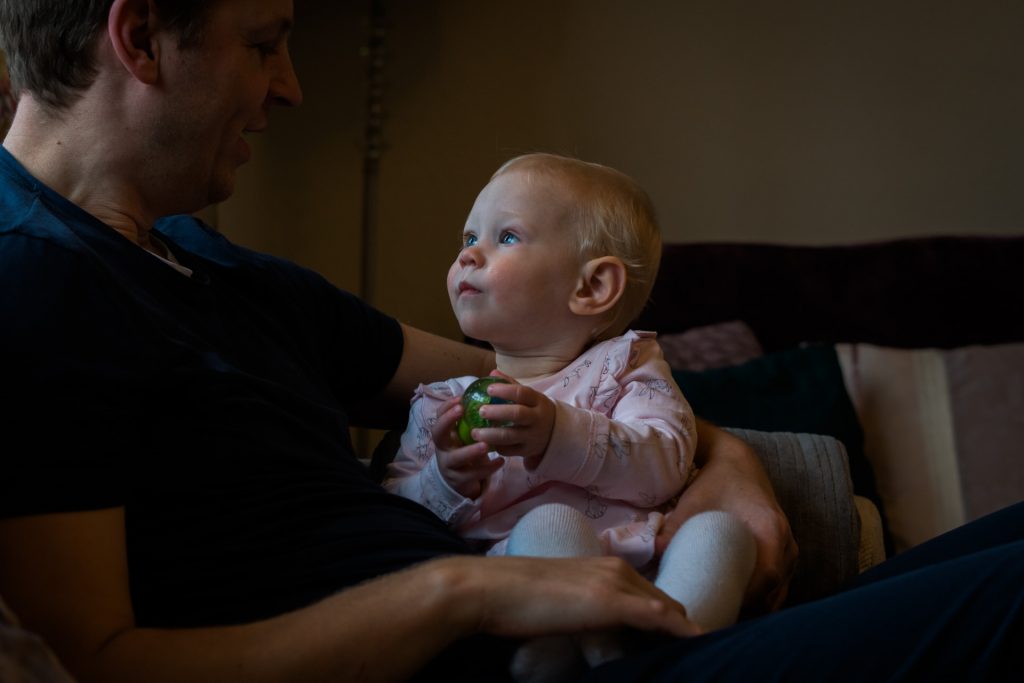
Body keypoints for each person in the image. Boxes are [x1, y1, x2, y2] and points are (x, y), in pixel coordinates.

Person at [0, 2, 1019, 683]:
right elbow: (108, 653)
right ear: (138, 39)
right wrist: (469, 586)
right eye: (264, 39)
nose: (291, 85)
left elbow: (530, 386)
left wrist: (732, 465)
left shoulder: (213, 265)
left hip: (606, 616)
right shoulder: (31, 279)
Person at [383, 153, 757, 679]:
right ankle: (597, 646)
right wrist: (445, 479)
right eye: (468, 239)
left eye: (505, 237)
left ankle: (673, 651)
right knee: (549, 522)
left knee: (723, 530)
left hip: (652, 571)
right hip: (534, 587)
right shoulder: (442, 402)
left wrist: (558, 433)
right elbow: (393, 510)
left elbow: (668, 459)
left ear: (592, 288)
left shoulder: (625, 365)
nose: (469, 256)